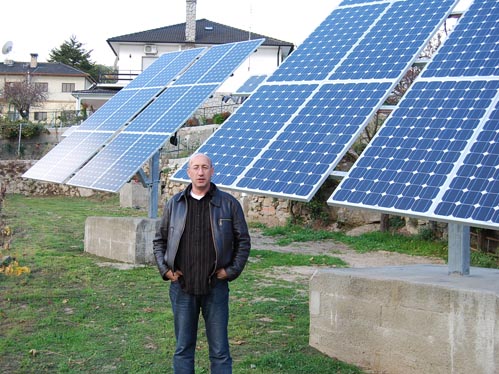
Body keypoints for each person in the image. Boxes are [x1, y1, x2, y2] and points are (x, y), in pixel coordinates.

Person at [153, 153, 251, 374]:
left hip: (215, 288)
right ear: (188, 172)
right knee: (183, 348)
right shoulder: (175, 203)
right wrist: (165, 270)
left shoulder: (228, 204)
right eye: (195, 167)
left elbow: (243, 241)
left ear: (212, 171)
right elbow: (159, 240)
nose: (200, 172)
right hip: (182, 289)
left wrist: (232, 270)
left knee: (219, 350)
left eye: (205, 167)